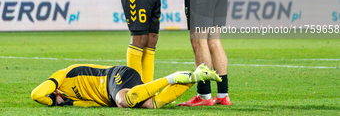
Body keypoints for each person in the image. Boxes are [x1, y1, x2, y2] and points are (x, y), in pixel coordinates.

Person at [31, 63, 221, 108]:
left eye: (53, 98)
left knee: (123, 100)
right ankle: (195, 76)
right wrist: (58, 102)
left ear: (54, 90)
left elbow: (36, 94)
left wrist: (50, 99)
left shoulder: (61, 76)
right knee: (151, 104)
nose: (57, 103)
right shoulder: (71, 102)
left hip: (116, 76)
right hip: (114, 92)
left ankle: (172, 77)